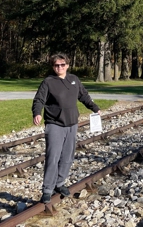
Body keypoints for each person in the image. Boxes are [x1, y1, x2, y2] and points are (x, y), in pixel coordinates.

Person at [32, 53, 100, 204]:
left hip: (72, 124)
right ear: (53, 67)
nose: (60, 67)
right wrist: (37, 113)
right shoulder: (48, 82)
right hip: (55, 124)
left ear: (67, 65)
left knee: (67, 157)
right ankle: (47, 190)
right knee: (53, 157)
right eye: (56, 65)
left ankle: (60, 183)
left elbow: (84, 96)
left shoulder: (73, 79)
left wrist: (95, 108)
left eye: (62, 65)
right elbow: (39, 99)